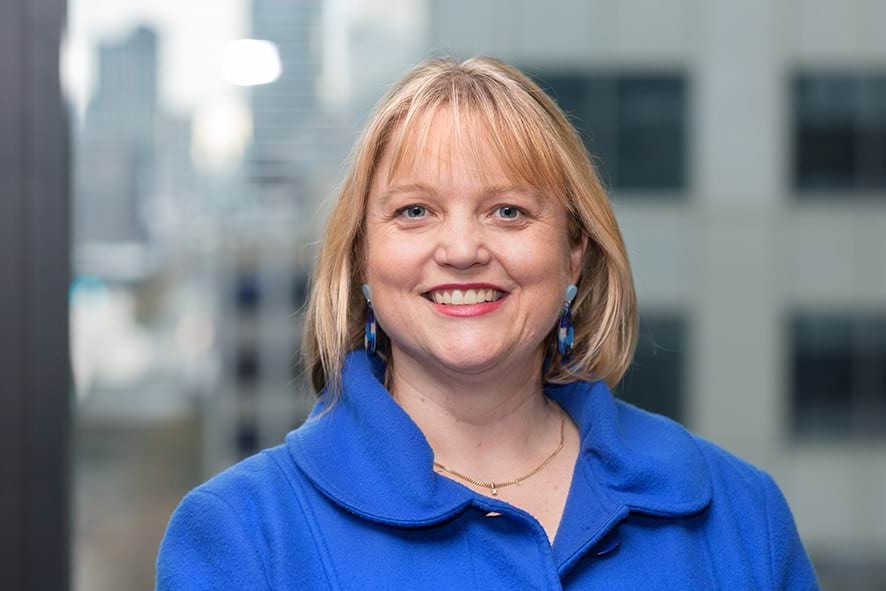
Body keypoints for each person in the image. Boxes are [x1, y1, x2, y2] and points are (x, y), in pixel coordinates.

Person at [156, 56, 820, 590]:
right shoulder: (244, 536)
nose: (463, 248)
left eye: (507, 211)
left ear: (573, 254)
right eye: (415, 211)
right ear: (362, 255)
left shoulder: (740, 513)